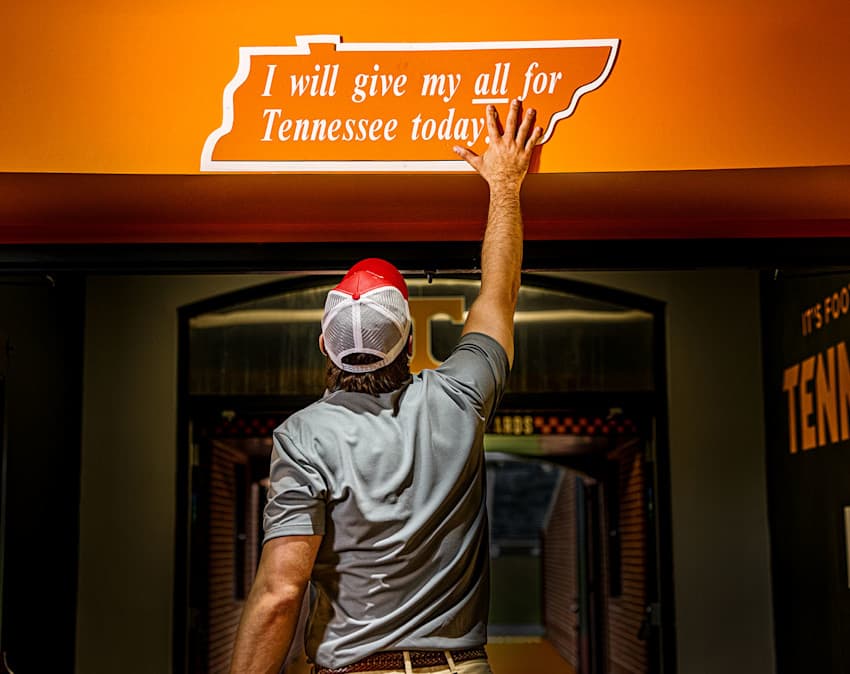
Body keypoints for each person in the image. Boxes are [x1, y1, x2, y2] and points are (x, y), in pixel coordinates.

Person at [229, 99, 543, 674]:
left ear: (324, 345)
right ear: (408, 342)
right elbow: (500, 293)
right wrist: (504, 184)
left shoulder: (302, 438)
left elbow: (280, 593)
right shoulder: (458, 398)